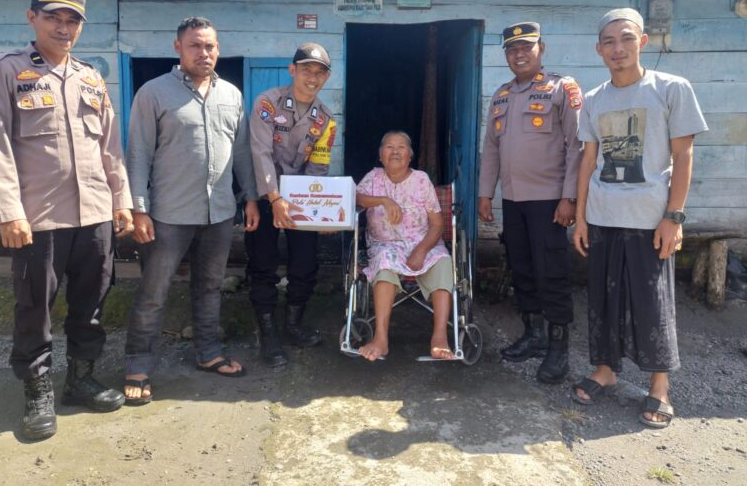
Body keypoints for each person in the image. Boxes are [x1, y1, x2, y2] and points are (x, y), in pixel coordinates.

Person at [0, 0, 133, 440]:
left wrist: (121, 201)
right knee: (34, 308)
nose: (64, 28)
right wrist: (9, 210)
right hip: (38, 217)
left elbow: (110, 146)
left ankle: (80, 380)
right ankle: (37, 391)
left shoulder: (91, 77)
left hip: (95, 214)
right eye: (54, 18)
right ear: (32, 18)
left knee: (92, 304)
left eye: (73, 21)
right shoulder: (7, 72)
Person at [572, 8, 707, 429]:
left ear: (642, 41)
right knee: (604, 298)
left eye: (626, 39)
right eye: (609, 42)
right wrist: (580, 218)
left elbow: (684, 155)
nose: (618, 49)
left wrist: (674, 216)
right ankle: (606, 370)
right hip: (602, 216)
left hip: (651, 218)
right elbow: (588, 160)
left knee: (652, 302)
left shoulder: (670, 89)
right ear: (598, 50)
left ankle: (659, 385)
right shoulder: (594, 100)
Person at [123, 17, 259, 404]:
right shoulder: (154, 93)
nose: (204, 53)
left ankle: (209, 352)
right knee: (153, 292)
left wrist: (250, 196)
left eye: (211, 46)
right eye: (196, 45)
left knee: (210, 286)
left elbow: (243, 151)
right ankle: (138, 365)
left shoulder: (231, 95)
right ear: (178, 47)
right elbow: (138, 155)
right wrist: (139, 209)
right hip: (168, 214)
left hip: (218, 213)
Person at [478, 22, 583, 384]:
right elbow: (491, 148)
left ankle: (558, 349)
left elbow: (577, 146)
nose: (518, 54)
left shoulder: (561, 89)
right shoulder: (501, 95)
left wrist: (570, 197)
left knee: (551, 272)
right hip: (514, 200)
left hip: (550, 202)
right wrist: (484, 193)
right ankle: (534, 335)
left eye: (526, 46)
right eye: (511, 49)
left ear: (542, 48)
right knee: (521, 268)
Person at [248, 42, 337, 366]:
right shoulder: (267, 103)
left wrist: (322, 213)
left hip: (300, 199)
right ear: (292, 70)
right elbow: (258, 153)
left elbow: (318, 169)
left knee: (305, 263)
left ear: (326, 78)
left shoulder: (326, 120)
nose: (312, 78)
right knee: (263, 264)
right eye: (306, 70)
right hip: (263, 194)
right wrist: (275, 199)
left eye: (319, 72)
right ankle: (268, 334)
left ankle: (293, 325)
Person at [355, 131, 454, 361]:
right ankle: (380, 338)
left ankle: (440, 337)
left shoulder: (421, 180)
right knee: (384, 261)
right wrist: (383, 200)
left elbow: (438, 224)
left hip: (423, 242)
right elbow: (355, 198)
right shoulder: (374, 177)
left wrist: (421, 250)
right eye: (389, 147)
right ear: (381, 155)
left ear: (410, 156)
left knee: (443, 261)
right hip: (385, 244)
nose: (396, 151)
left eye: (401, 147)